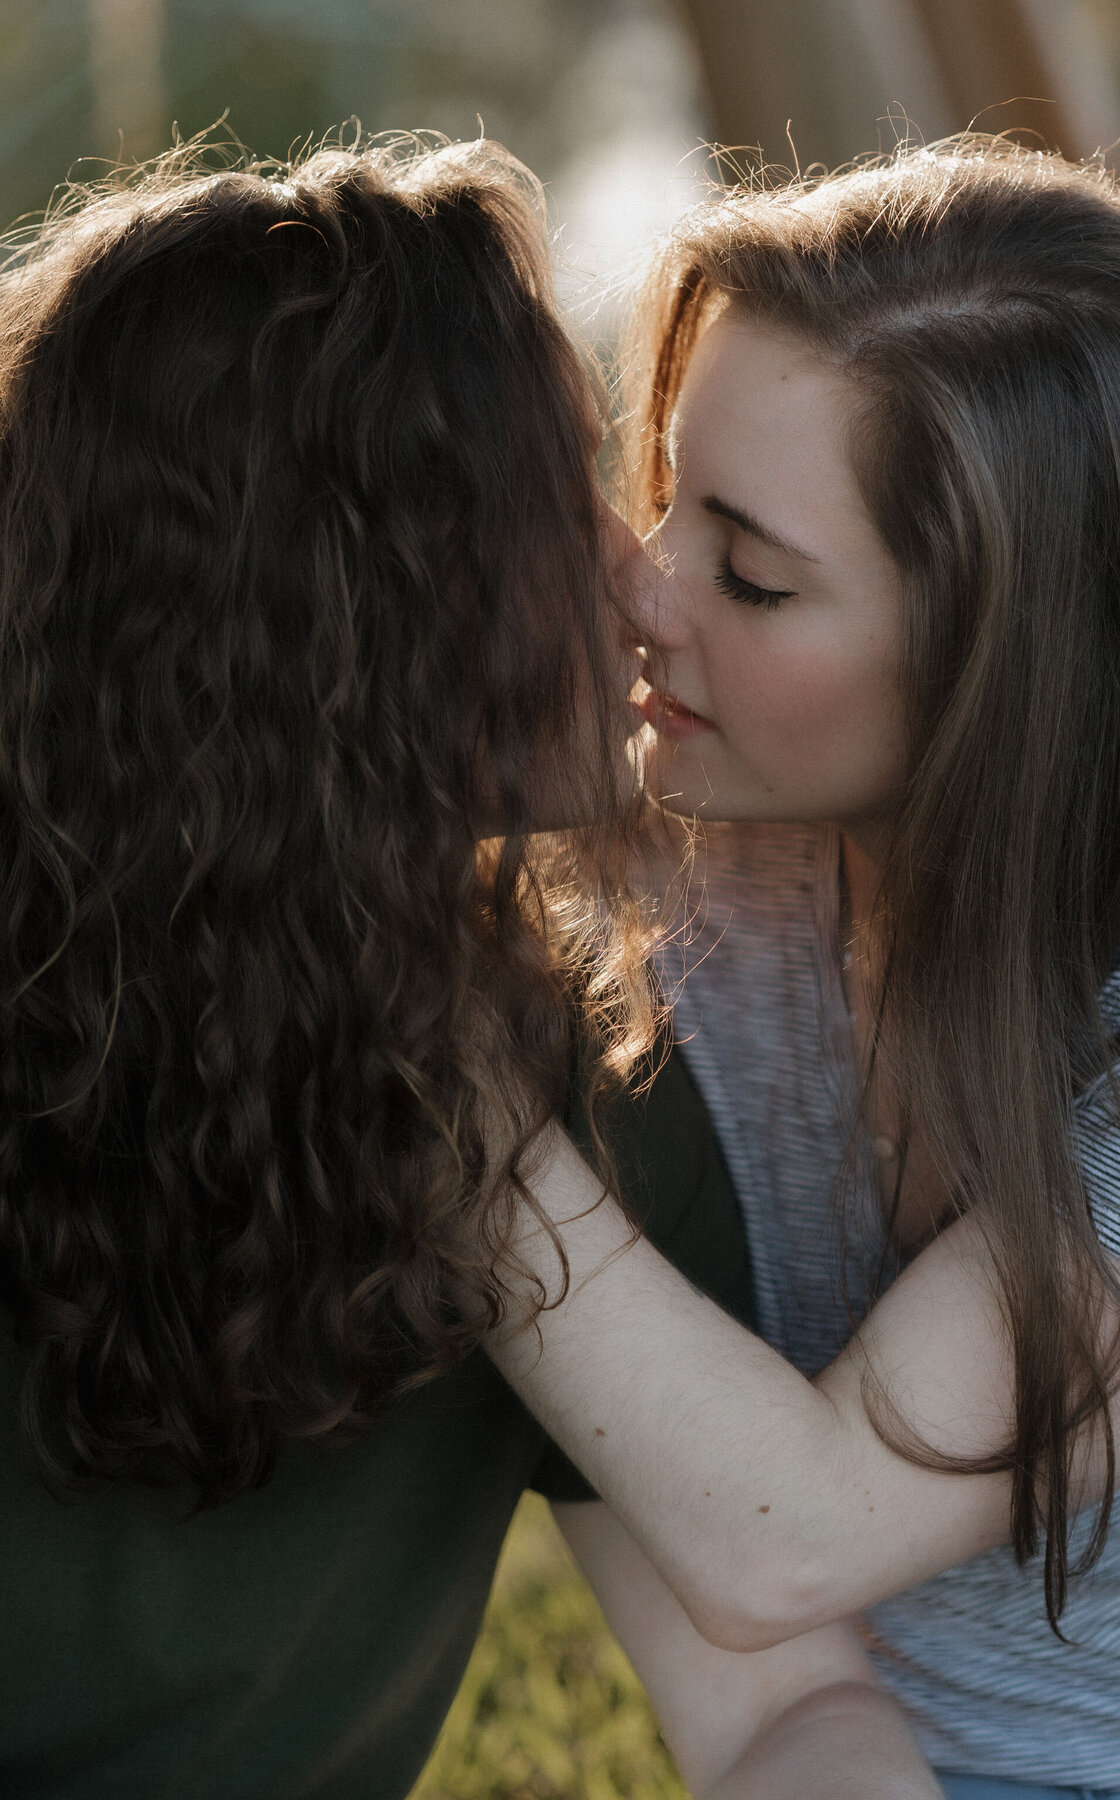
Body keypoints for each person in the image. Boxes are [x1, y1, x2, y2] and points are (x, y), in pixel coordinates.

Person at [0, 135, 944, 1800]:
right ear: (322, 599)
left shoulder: (573, 1059)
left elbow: (780, 1699)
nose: (636, 572)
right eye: (550, 497)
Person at [480, 140, 1120, 1799]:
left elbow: (789, 1536)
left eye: (751, 572)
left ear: (1011, 675)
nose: (642, 592)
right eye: (666, 491)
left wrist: (430, 1070)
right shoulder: (686, 883)